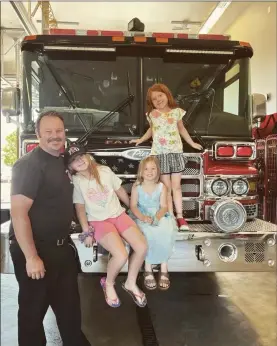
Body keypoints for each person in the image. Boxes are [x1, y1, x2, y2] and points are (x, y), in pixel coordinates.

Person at [9, 111, 90, 346]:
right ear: (38, 135)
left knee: (70, 316)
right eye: (49, 132)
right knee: (32, 319)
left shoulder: (63, 161)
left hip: (62, 250)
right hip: (37, 252)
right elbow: (18, 213)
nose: (55, 136)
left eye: (59, 131)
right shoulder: (28, 165)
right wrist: (31, 257)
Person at [65, 145, 148, 308]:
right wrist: (86, 231)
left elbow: (120, 191)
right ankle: (108, 283)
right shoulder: (77, 181)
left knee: (142, 247)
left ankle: (131, 283)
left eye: (81, 156)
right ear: (70, 167)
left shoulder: (105, 171)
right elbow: (80, 208)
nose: (79, 161)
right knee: (121, 255)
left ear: (88, 156)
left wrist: (134, 209)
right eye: (74, 160)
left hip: (118, 215)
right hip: (98, 221)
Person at [130, 83, 202, 231]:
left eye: (160, 96)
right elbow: (151, 130)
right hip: (159, 155)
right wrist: (140, 140)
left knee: (176, 187)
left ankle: (181, 217)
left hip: (175, 153)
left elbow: (181, 129)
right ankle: (170, 216)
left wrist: (192, 143)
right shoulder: (152, 114)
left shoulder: (177, 112)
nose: (158, 100)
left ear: (167, 95)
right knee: (166, 188)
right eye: (154, 99)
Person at [130, 156, 177, 290]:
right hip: (142, 215)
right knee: (146, 233)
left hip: (159, 215)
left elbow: (164, 206)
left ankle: (164, 267)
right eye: (146, 169)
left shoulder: (161, 187)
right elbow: (133, 206)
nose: (149, 172)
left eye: (153, 168)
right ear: (141, 171)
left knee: (165, 231)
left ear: (158, 170)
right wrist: (143, 217)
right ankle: (148, 267)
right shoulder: (136, 186)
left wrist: (157, 217)